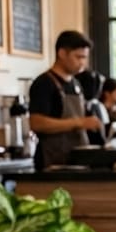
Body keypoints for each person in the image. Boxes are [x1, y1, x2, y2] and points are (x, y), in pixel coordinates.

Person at [28, 30, 102, 169]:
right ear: (62, 53)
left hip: (77, 160)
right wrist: (78, 122)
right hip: (53, 162)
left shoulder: (76, 84)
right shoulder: (44, 83)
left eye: (84, 58)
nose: (82, 63)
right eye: (78, 57)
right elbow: (36, 123)